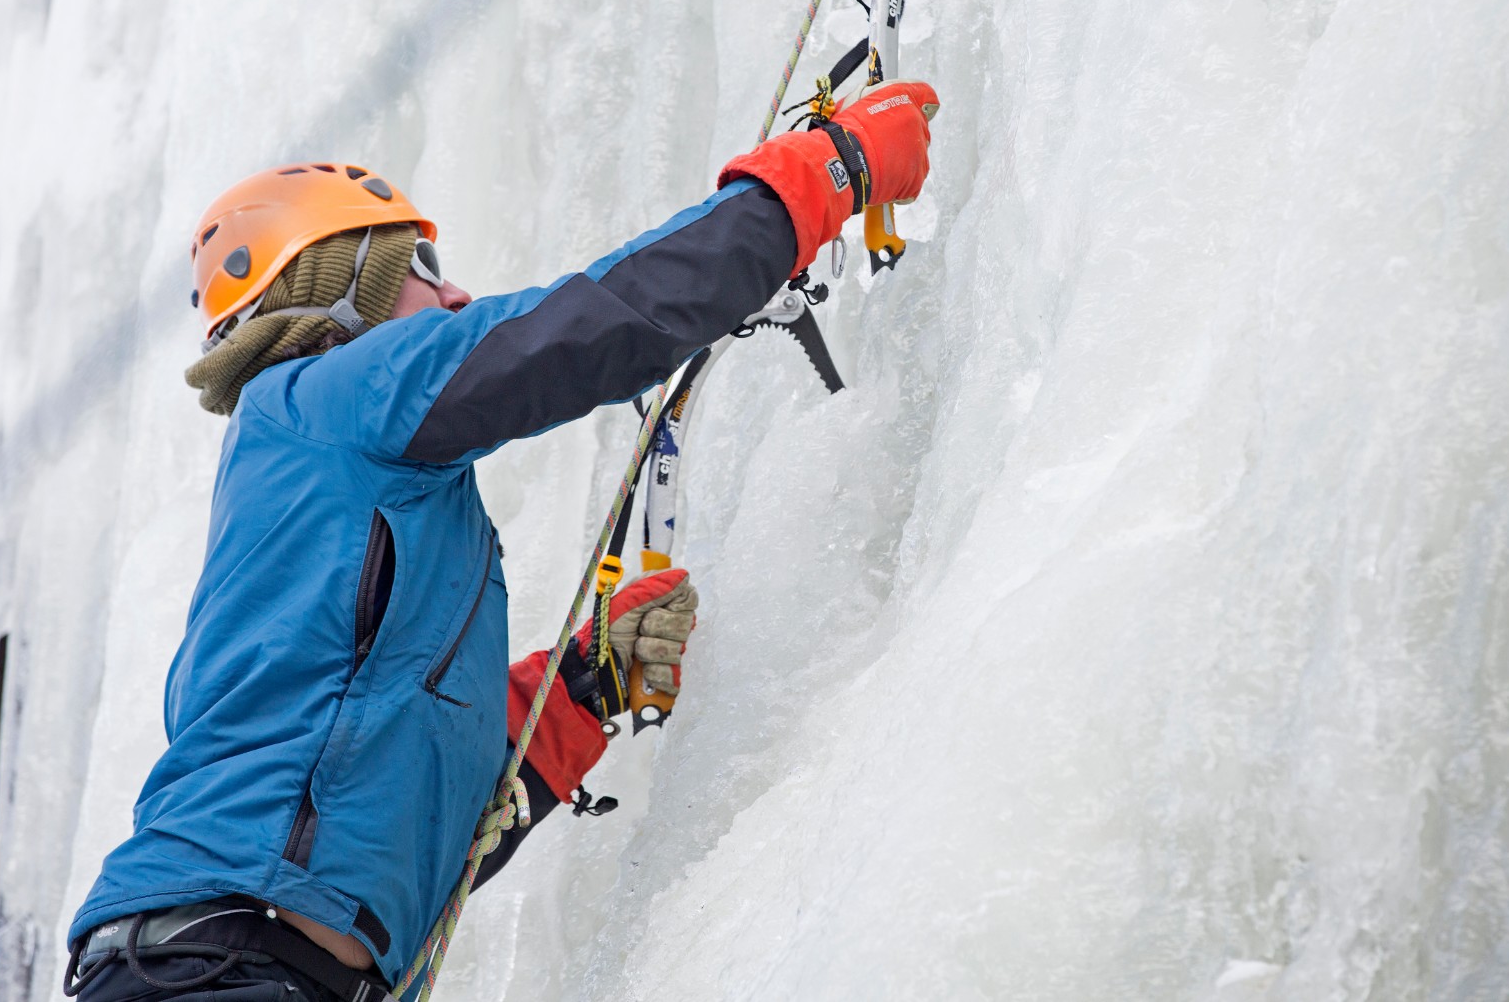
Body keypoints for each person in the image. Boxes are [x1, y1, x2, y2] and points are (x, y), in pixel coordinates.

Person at [61, 80, 940, 1002]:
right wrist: (814, 179)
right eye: (420, 264)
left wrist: (580, 688)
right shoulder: (329, 394)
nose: (454, 290)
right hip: (229, 967)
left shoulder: (329, 481)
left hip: (228, 967)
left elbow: (406, 793)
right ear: (342, 290)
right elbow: (583, 329)